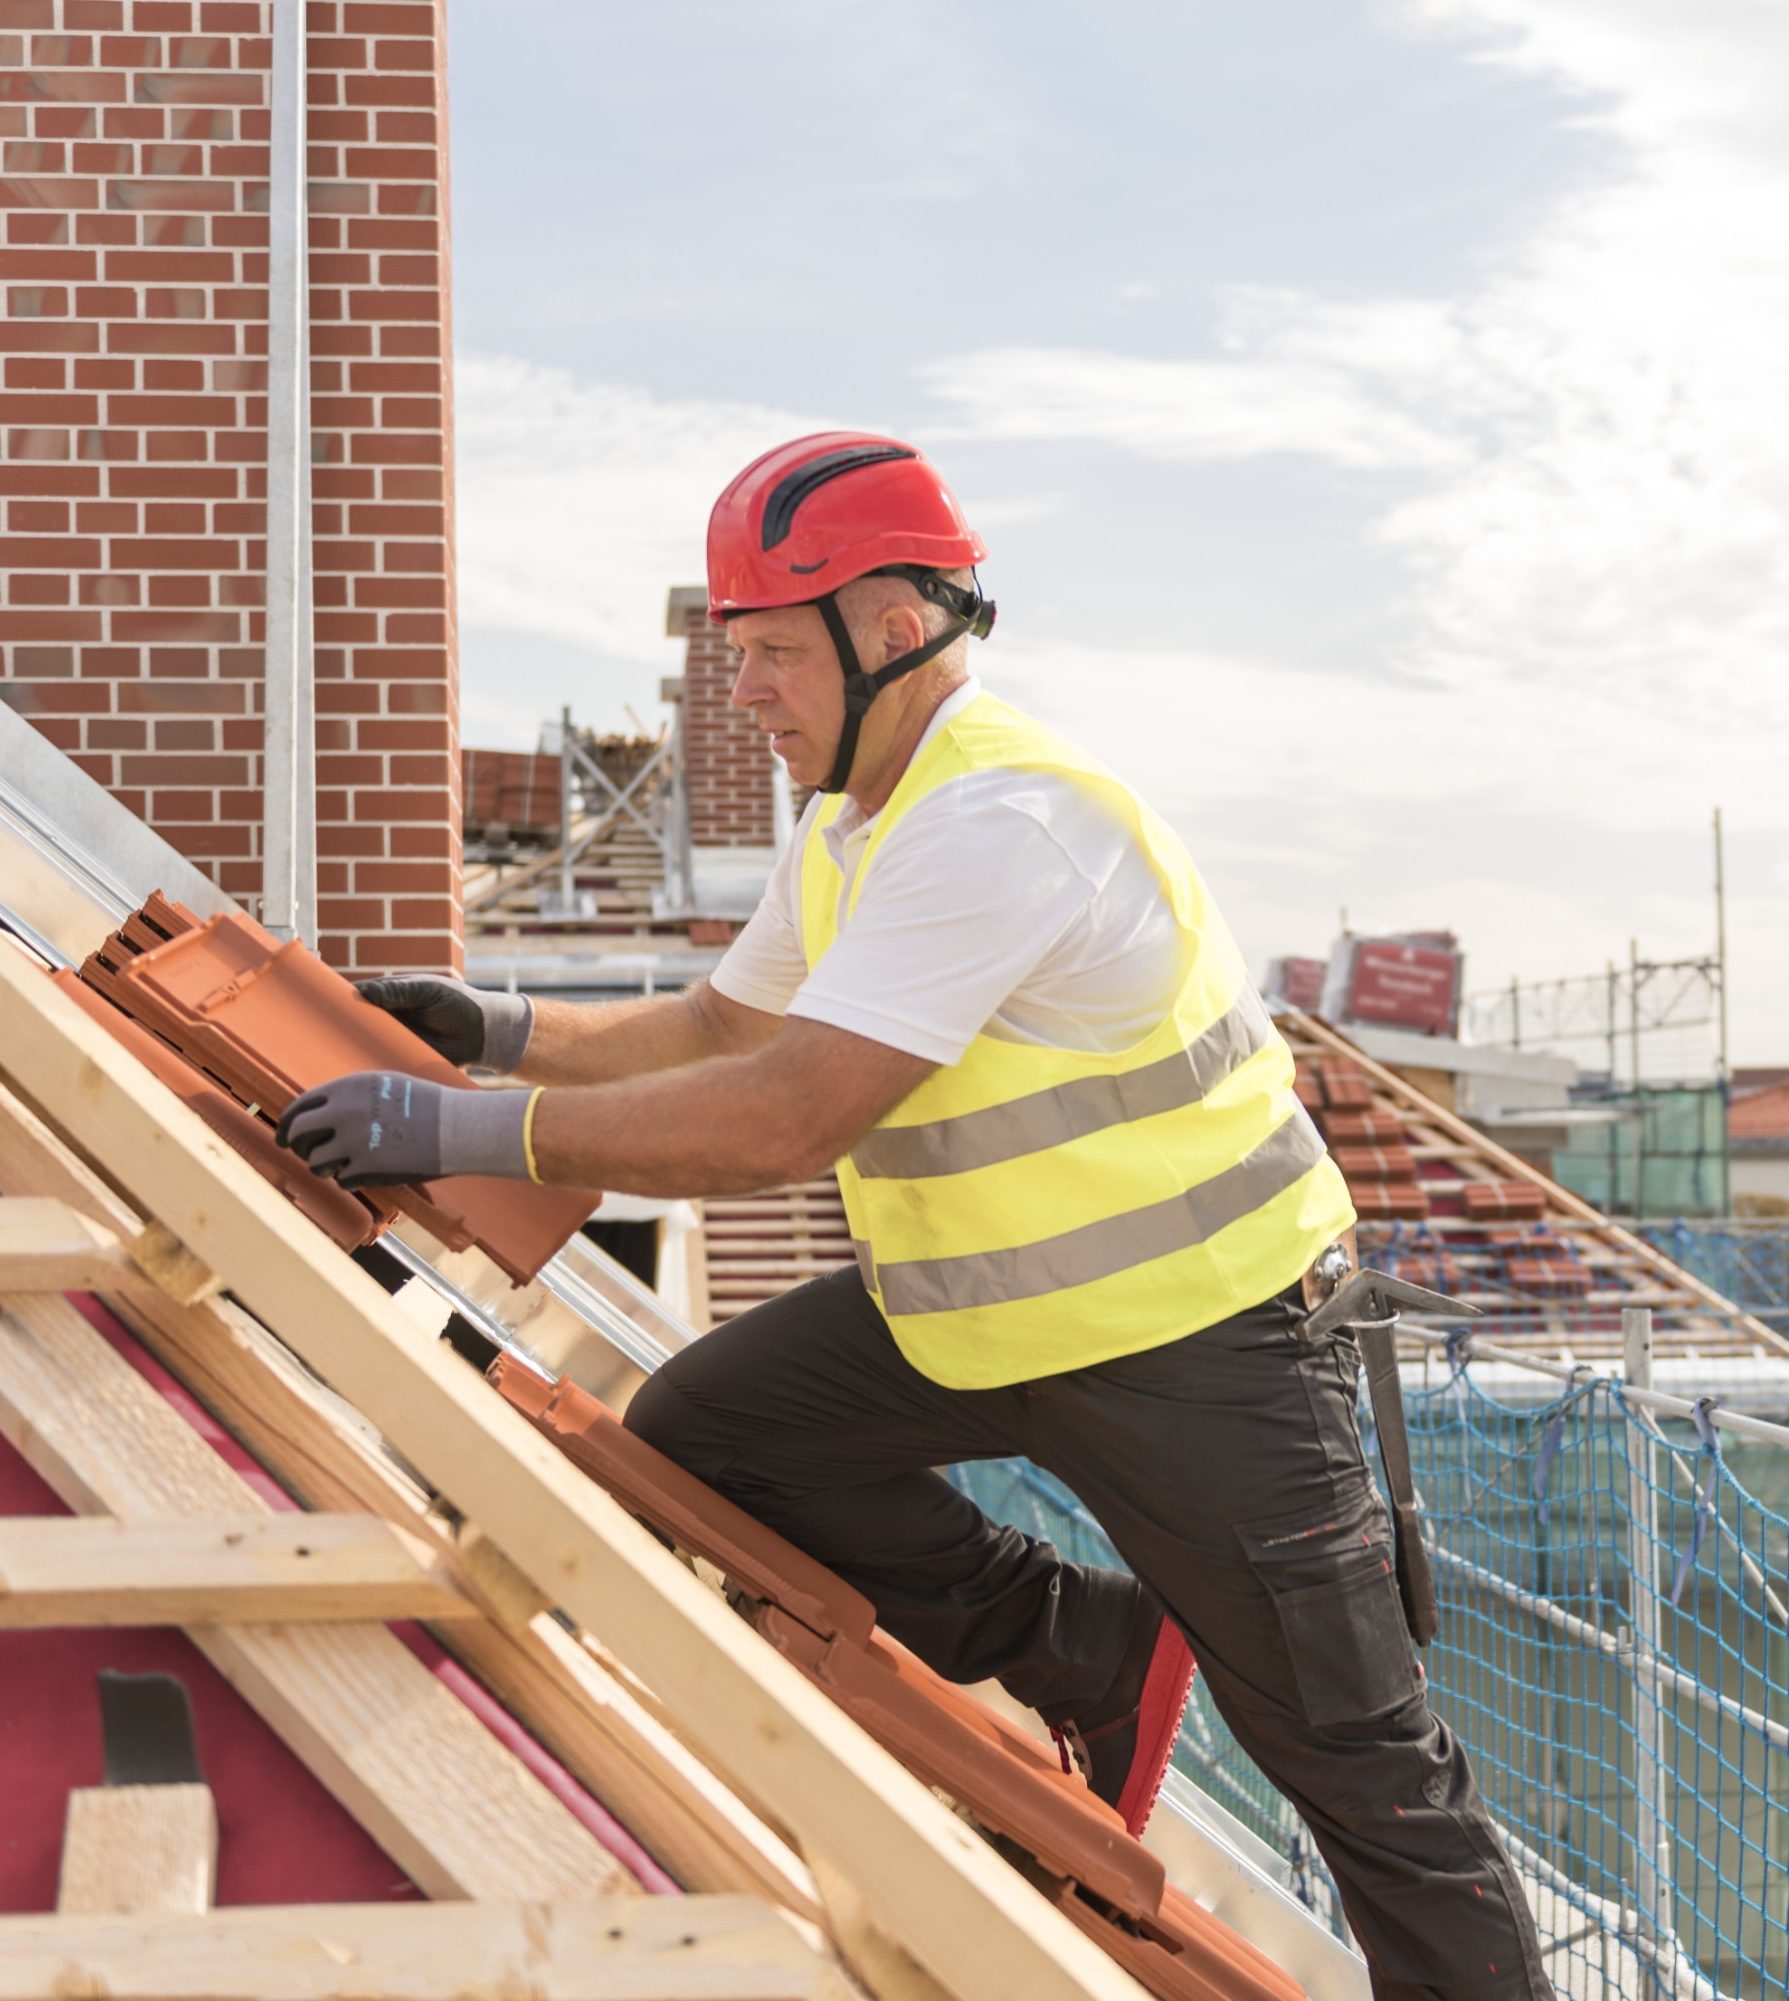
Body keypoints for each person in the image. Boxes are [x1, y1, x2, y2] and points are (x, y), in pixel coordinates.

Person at [280, 433, 1553, 2000]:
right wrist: (496, 1027)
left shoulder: (997, 822)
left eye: (763, 649)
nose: (741, 689)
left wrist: (468, 1128)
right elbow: (720, 1030)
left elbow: (787, 1110)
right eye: (730, 653)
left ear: (891, 627)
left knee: (1363, 1773)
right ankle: (1076, 1640)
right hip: (981, 1311)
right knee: (700, 1436)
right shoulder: (851, 817)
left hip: (1204, 1344)